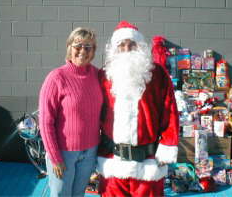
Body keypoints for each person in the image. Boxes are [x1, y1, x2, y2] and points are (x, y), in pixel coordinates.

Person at [97, 21, 179, 197]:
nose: (127, 49)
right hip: (113, 161)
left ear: (140, 46)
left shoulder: (157, 74)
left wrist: (167, 145)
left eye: (131, 44)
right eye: (122, 45)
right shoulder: (103, 75)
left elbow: (170, 111)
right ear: (114, 49)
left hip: (147, 163)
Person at [38, 27, 103, 197]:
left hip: (90, 152)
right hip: (63, 153)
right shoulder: (56, 78)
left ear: (94, 51)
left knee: (78, 194)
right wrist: (55, 157)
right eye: (78, 46)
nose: (83, 51)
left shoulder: (98, 75)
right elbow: (46, 122)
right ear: (69, 48)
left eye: (88, 47)